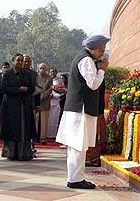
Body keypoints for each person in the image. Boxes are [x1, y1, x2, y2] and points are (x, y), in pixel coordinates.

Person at [56, 35, 109, 189]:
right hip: (80, 109)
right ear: (96, 49)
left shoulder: (84, 58)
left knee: (77, 146)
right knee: (78, 145)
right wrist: (102, 71)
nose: (101, 55)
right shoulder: (86, 60)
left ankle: (75, 177)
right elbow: (93, 84)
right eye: (101, 51)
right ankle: (75, 179)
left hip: (78, 109)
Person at [0, 54, 35, 160]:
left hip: (24, 105)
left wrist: (27, 89)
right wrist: (18, 89)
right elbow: (4, 89)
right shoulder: (7, 74)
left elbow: (32, 88)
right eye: (18, 60)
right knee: (13, 130)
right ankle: (11, 153)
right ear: (13, 61)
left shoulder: (26, 74)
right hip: (11, 106)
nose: (20, 62)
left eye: (21, 60)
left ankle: (24, 154)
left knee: (24, 129)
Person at [22, 55, 40, 152]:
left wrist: (37, 104)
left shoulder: (34, 74)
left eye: (28, 61)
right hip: (18, 102)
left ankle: (31, 145)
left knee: (30, 125)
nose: (26, 63)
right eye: (24, 61)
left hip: (30, 102)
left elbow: (37, 90)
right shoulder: (18, 72)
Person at [37, 63, 53, 145]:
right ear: (38, 69)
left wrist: (41, 97)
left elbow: (50, 89)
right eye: (40, 68)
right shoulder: (35, 77)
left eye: (43, 68)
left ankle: (43, 138)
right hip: (36, 102)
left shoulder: (49, 78)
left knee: (44, 122)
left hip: (45, 102)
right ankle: (35, 137)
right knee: (35, 120)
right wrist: (37, 97)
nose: (42, 70)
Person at [48, 67, 65, 139]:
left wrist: (54, 95)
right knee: (48, 120)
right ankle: (46, 135)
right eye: (51, 72)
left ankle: (53, 135)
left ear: (56, 72)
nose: (52, 73)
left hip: (56, 101)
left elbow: (63, 91)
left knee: (54, 119)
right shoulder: (47, 79)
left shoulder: (59, 80)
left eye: (54, 72)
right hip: (47, 102)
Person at [0, 62, 10, 137]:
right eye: (4, 67)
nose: (6, 69)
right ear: (2, 68)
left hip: (9, 102)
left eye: (7, 67)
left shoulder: (11, 78)